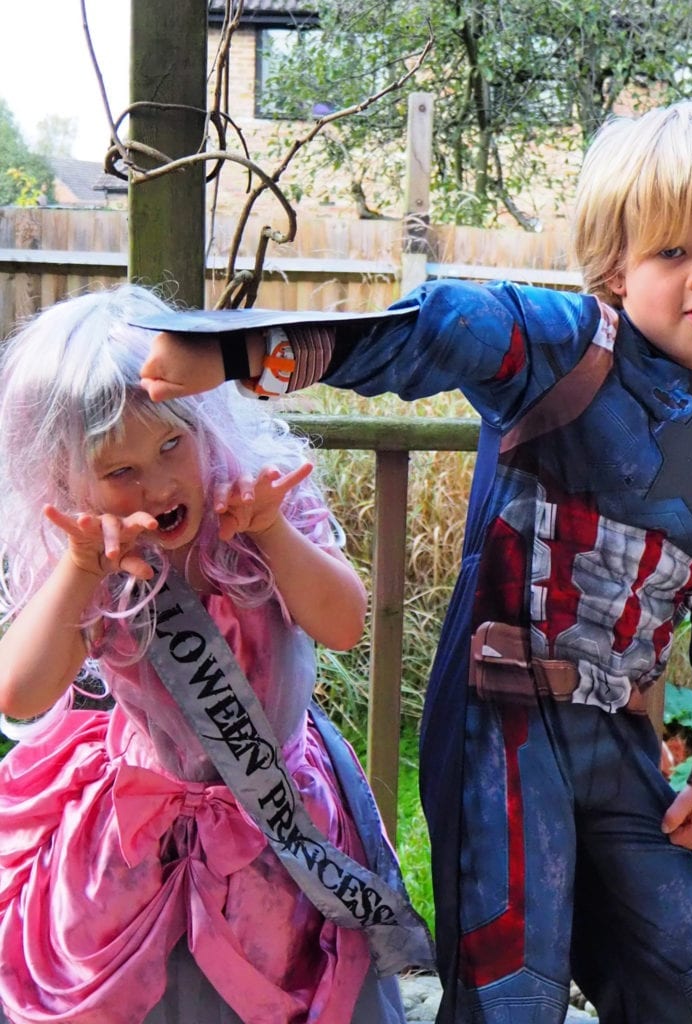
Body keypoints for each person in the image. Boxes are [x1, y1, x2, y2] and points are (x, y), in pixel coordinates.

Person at [140, 101, 692, 1024]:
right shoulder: (564, 346)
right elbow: (442, 326)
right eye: (671, 251)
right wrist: (245, 353)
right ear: (614, 267)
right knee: (512, 989)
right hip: (502, 729)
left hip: (620, 736)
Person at [0, 285, 429, 1024]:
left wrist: (273, 535)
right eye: (119, 470)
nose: (160, 483)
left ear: (206, 423)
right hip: (141, 840)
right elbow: (20, 694)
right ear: (65, 480)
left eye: (172, 445)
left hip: (282, 817)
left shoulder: (260, 506)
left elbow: (344, 623)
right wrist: (77, 572)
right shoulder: (88, 559)